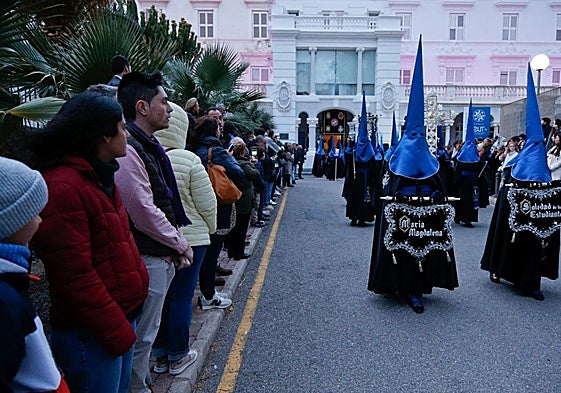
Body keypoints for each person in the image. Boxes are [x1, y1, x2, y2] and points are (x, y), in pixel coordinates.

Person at [22, 92, 149, 393]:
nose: (126, 133)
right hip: (94, 332)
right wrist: (117, 329)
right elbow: (73, 274)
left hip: (118, 320)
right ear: (103, 136)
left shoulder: (99, 175)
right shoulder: (65, 185)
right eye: (121, 127)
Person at [115, 71, 193, 393]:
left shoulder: (149, 146)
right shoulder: (132, 149)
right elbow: (143, 209)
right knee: (142, 337)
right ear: (143, 107)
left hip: (157, 254)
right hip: (148, 255)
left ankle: (141, 382)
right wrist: (179, 242)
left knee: (148, 332)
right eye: (164, 102)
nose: (170, 109)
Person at [368, 37, 458, 314]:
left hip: (426, 217)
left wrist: (436, 196)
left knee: (425, 250)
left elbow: (439, 186)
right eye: (413, 134)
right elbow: (387, 188)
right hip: (402, 216)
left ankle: (418, 288)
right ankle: (402, 287)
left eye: (422, 134)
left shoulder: (432, 161)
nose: (418, 139)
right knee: (402, 252)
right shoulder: (395, 160)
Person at [481, 64, 559, 301]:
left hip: (539, 213)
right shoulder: (520, 163)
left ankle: (531, 282)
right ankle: (504, 270)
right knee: (511, 241)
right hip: (520, 211)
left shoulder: (542, 159)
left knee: (537, 245)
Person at [152, 102, 217, 375]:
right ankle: (178, 354)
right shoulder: (189, 160)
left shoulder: (145, 156)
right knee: (181, 297)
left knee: (161, 298)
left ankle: (159, 353)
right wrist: (210, 230)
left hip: (158, 238)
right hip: (194, 238)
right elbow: (207, 202)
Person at [0, 157, 69, 393]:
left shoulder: (11, 278)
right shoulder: (5, 304)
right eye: (32, 212)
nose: (40, 219)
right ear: (10, 222)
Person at [188, 116, 248, 310]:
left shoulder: (193, 148)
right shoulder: (218, 151)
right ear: (215, 131)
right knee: (212, 252)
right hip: (217, 204)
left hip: (195, 203)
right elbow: (238, 173)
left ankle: (207, 292)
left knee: (204, 251)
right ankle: (208, 295)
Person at [342, 94, 377, 227]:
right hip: (364, 179)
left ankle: (356, 218)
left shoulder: (355, 152)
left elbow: (349, 164)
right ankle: (360, 218)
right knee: (362, 199)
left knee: (357, 199)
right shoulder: (368, 152)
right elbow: (374, 167)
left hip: (357, 179)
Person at [225, 139, 260, 260]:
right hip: (244, 199)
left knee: (234, 227)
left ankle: (232, 250)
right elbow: (254, 175)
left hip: (235, 197)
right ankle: (238, 253)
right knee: (241, 227)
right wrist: (254, 164)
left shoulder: (230, 162)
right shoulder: (244, 164)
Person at [452, 101, 481, 228]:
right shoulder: (464, 155)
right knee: (464, 201)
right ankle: (462, 218)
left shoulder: (467, 155)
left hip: (469, 181)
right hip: (466, 181)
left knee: (469, 201)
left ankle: (464, 218)